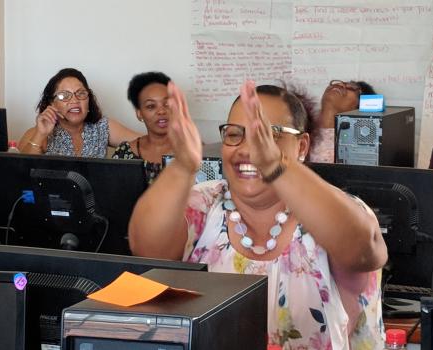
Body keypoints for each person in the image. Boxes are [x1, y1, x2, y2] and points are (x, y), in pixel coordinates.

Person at [128, 80, 387, 348]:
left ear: (301, 146)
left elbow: (364, 250)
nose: (247, 148)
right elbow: (147, 252)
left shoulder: (329, 211)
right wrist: (182, 166)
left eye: (267, 134)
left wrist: (276, 165)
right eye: (233, 134)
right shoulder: (205, 203)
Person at [18, 68, 140, 157]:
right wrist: (41, 134)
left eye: (81, 93)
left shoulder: (102, 127)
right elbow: (20, 172)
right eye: (64, 95)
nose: (75, 100)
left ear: (89, 99)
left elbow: (149, 143)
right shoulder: (38, 132)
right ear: (52, 103)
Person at [112, 71, 172, 184]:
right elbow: (113, 195)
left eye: (167, 104)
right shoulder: (124, 153)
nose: (162, 111)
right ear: (139, 113)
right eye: (151, 106)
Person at [310, 79, 377, 163]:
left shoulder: (355, 147)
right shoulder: (301, 125)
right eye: (338, 83)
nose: (340, 85)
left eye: (351, 88)